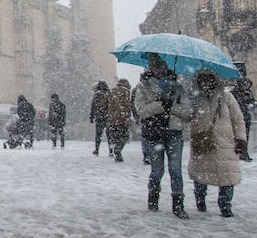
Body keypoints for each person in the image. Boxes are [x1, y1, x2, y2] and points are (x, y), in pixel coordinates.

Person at [133, 54, 194, 217]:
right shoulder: (143, 87)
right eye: (155, 68)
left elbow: (188, 113)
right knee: (157, 170)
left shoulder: (178, 87)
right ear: (150, 69)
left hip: (174, 133)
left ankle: (178, 205)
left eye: (161, 67)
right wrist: (160, 105)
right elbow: (142, 111)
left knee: (175, 170)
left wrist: (171, 106)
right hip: (154, 133)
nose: (159, 71)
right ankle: (153, 198)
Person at [188, 68, 247, 217]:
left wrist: (240, 138)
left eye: (209, 79)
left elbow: (238, 119)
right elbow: (185, 117)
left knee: (227, 175)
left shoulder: (226, 98)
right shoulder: (194, 98)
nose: (206, 82)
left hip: (225, 143)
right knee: (201, 174)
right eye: (203, 79)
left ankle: (225, 205)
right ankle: (200, 199)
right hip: (203, 142)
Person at [105, 78, 132, 162]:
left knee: (114, 135)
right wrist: (127, 116)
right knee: (124, 135)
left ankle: (115, 149)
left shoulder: (111, 91)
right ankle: (118, 149)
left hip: (111, 118)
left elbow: (104, 103)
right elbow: (127, 105)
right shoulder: (126, 91)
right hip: (122, 118)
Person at [231, 76, 255, 161]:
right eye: (246, 85)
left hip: (246, 118)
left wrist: (251, 105)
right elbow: (236, 105)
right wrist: (245, 107)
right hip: (238, 118)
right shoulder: (235, 93)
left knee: (245, 136)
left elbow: (252, 101)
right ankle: (240, 154)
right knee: (239, 137)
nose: (247, 87)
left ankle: (244, 153)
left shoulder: (248, 92)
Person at [89, 80, 109, 155]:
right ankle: (111, 150)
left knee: (98, 135)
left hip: (99, 117)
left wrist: (91, 117)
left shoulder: (97, 94)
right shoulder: (108, 94)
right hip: (108, 117)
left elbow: (93, 106)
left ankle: (97, 149)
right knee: (109, 135)